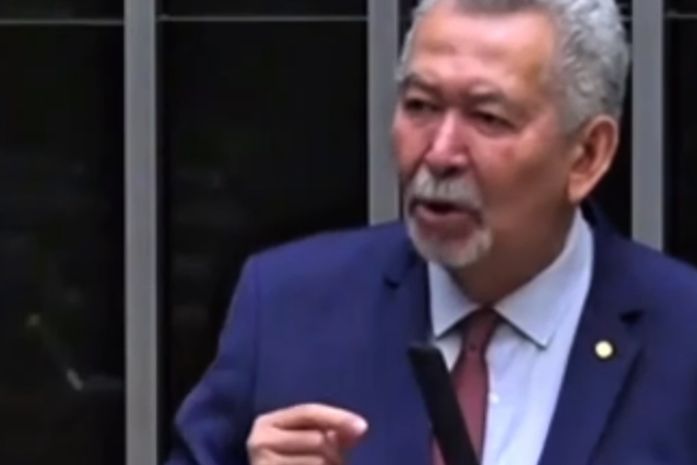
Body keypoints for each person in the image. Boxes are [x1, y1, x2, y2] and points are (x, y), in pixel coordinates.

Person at [165, 0, 697, 464]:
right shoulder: (288, 306)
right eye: (420, 106)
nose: (440, 153)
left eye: (488, 118)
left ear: (587, 155)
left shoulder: (683, 337)